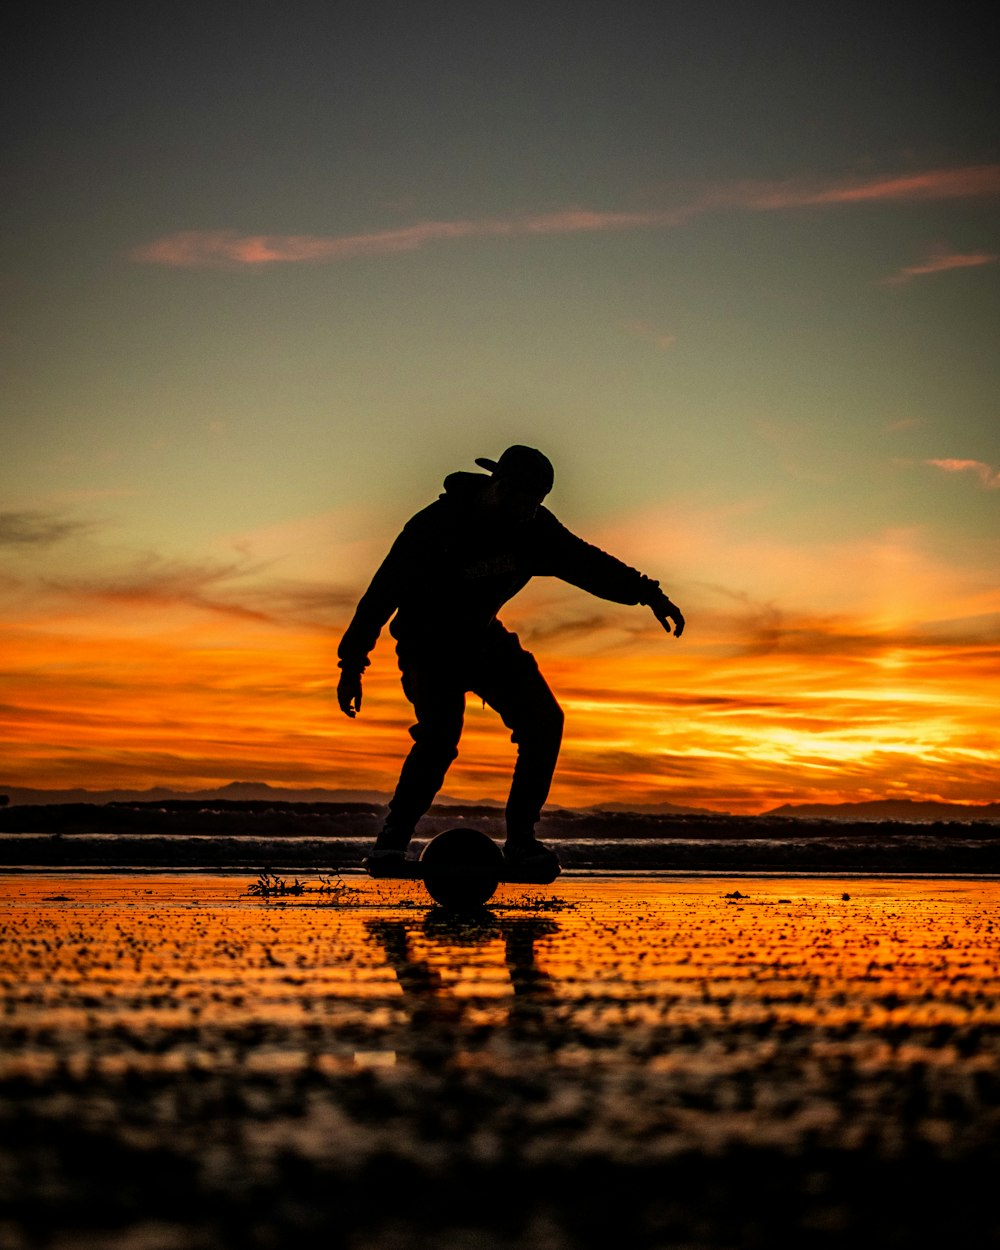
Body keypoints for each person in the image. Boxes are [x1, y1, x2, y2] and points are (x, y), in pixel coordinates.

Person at [337, 446, 684, 881]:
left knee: (544, 722)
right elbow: (381, 593)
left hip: (484, 640)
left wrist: (647, 592)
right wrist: (352, 665)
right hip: (429, 646)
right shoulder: (434, 524)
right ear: (498, 486)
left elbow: (586, 562)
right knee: (440, 739)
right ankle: (391, 841)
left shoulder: (535, 529)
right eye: (523, 499)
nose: (529, 510)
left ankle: (521, 840)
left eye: (538, 501)